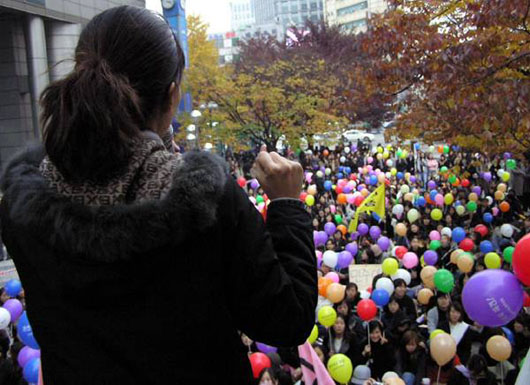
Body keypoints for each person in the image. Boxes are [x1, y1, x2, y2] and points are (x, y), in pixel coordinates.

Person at [0, 6, 317, 385]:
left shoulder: (24, 204)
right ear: (171, 96)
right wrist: (287, 206)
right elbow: (287, 318)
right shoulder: (204, 201)